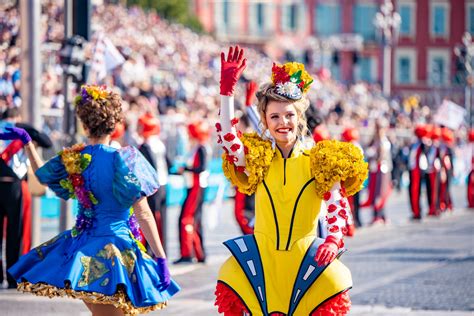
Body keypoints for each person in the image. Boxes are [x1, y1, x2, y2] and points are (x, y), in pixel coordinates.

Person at [214, 46, 368, 315]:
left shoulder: (321, 159)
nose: (282, 122)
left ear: (299, 118)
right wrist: (227, 93)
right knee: (229, 275)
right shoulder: (257, 157)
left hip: (304, 259)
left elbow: (336, 205)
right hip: (262, 261)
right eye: (274, 116)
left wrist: (332, 240)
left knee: (334, 281)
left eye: (289, 115)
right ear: (265, 119)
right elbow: (229, 138)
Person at [2, 85, 179, 315]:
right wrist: (161, 258)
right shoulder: (125, 160)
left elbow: (42, 174)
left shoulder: (76, 158)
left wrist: (27, 143)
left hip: (83, 247)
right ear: (115, 125)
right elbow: (143, 213)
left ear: (84, 125)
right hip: (116, 250)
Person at [0, 107, 52, 288]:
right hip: (3, 184)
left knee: (17, 233)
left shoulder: (23, 133)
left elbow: (47, 142)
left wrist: (27, 131)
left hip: (15, 185)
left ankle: (13, 276)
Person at [174, 120, 210, 264]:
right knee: (192, 220)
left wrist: (185, 169)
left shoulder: (201, 148)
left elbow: (201, 168)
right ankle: (196, 253)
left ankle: (189, 252)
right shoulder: (196, 147)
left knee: (187, 219)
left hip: (197, 187)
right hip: (192, 186)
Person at [137, 112, 169, 251]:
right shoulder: (159, 143)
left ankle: (151, 250)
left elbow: (147, 169)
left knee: (152, 218)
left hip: (152, 187)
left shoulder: (145, 146)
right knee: (162, 217)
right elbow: (169, 162)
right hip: (164, 184)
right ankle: (162, 249)